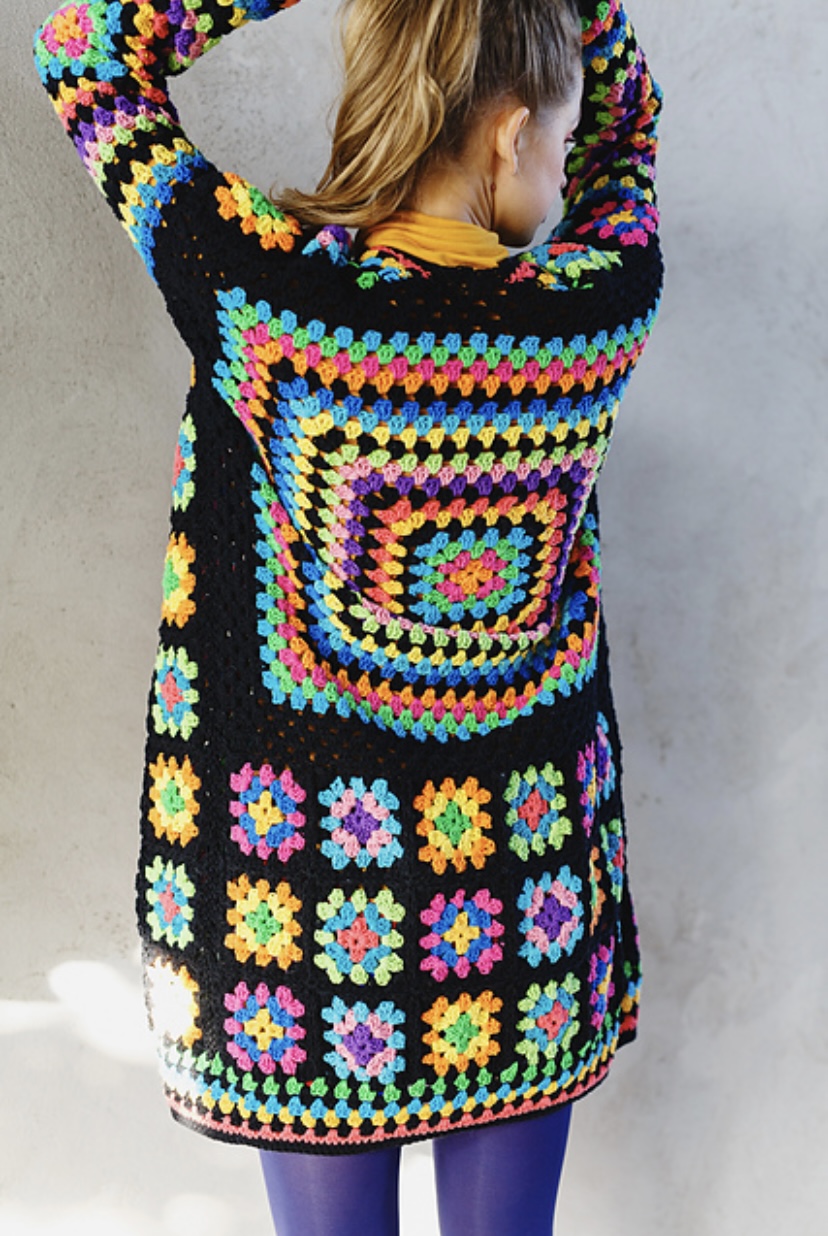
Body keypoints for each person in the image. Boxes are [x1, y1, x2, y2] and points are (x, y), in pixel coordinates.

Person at [34, 0, 662, 1232]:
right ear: (511, 134)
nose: (564, 166)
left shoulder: (266, 300)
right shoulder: (593, 313)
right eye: (555, 135)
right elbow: (630, 134)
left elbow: (86, 55)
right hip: (521, 893)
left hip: (303, 912)